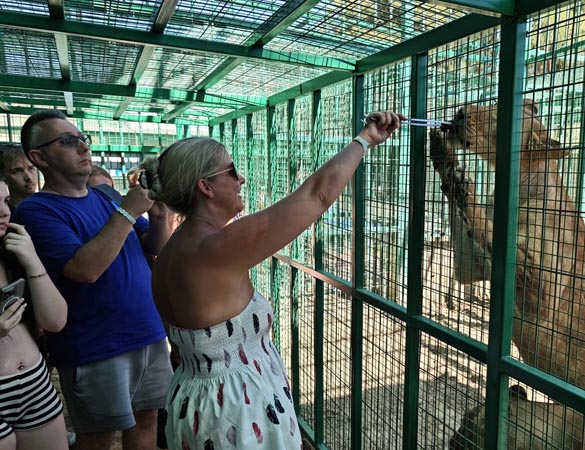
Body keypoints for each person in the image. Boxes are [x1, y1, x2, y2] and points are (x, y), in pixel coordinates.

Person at [141, 111, 404, 449]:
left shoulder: (171, 253)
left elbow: (179, 350)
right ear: (205, 186)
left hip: (195, 400)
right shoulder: (214, 248)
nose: (241, 180)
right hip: (233, 412)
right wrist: (365, 139)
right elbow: (316, 196)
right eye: (231, 172)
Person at [14, 109, 174, 450]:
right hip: (95, 347)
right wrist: (129, 211)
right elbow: (83, 270)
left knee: (148, 420)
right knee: (98, 438)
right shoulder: (37, 210)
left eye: (82, 139)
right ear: (38, 157)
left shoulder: (105, 197)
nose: (83, 147)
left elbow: (153, 245)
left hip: (148, 332)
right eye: (68, 141)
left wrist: (160, 217)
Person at [0, 175, 69, 450]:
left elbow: (55, 320)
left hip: (33, 383)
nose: (4, 211)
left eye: (5, 201)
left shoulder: (12, 252)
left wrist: (32, 260)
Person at [0, 144, 38, 215]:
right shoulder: (4, 215)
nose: (28, 177)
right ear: (2, 175)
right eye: (17, 171)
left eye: (31, 168)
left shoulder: (47, 205)